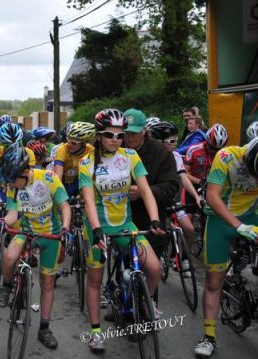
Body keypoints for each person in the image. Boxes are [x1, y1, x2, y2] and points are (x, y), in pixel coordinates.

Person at [79, 109, 164, 354]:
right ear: (98, 136)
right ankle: (96, 333)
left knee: (154, 268)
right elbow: (87, 201)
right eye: (109, 135)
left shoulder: (130, 156)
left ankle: (144, 305)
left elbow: (145, 190)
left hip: (126, 224)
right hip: (98, 226)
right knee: (95, 279)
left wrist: (155, 219)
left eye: (120, 135)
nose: (115, 139)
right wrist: (96, 231)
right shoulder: (87, 163)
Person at [0, 143, 71, 350]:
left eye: (14, 179)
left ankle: (44, 327)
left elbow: (64, 206)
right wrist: (3, 222)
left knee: (47, 283)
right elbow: (13, 214)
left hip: (51, 234)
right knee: (10, 257)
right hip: (26, 231)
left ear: (26, 171)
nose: (11, 184)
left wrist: (65, 227)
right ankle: (8, 285)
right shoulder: (13, 186)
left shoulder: (49, 178)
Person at [193, 137, 258, 358]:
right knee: (214, 281)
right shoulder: (226, 157)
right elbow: (211, 196)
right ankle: (208, 336)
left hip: (252, 215)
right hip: (221, 220)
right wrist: (239, 226)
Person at [123, 108, 180, 314]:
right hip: (121, 218)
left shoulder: (161, 152)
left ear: (145, 131)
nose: (129, 138)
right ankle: (123, 302)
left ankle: (148, 307)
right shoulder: (114, 147)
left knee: (149, 267)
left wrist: (144, 192)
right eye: (125, 133)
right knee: (124, 264)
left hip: (150, 220)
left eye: (134, 133)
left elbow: (173, 186)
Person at [147, 121, 200, 272]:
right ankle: (160, 254)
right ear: (160, 142)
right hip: (155, 201)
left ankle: (184, 258)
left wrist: (196, 196)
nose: (176, 144)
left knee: (189, 229)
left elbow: (183, 178)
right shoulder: (150, 157)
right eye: (172, 141)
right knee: (158, 232)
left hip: (172, 199)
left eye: (176, 140)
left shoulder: (176, 156)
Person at [184, 124, 228, 221]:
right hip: (194, 184)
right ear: (207, 142)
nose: (215, 152)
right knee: (188, 218)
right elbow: (185, 173)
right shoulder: (194, 150)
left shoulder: (226, 153)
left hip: (214, 185)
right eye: (212, 148)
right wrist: (200, 182)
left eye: (218, 149)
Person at [52, 121, 95, 197]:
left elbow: (93, 174)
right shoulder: (62, 149)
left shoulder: (90, 150)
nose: (69, 145)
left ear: (84, 143)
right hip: (64, 182)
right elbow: (58, 176)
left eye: (73, 143)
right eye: (68, 141)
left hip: (80, 182)